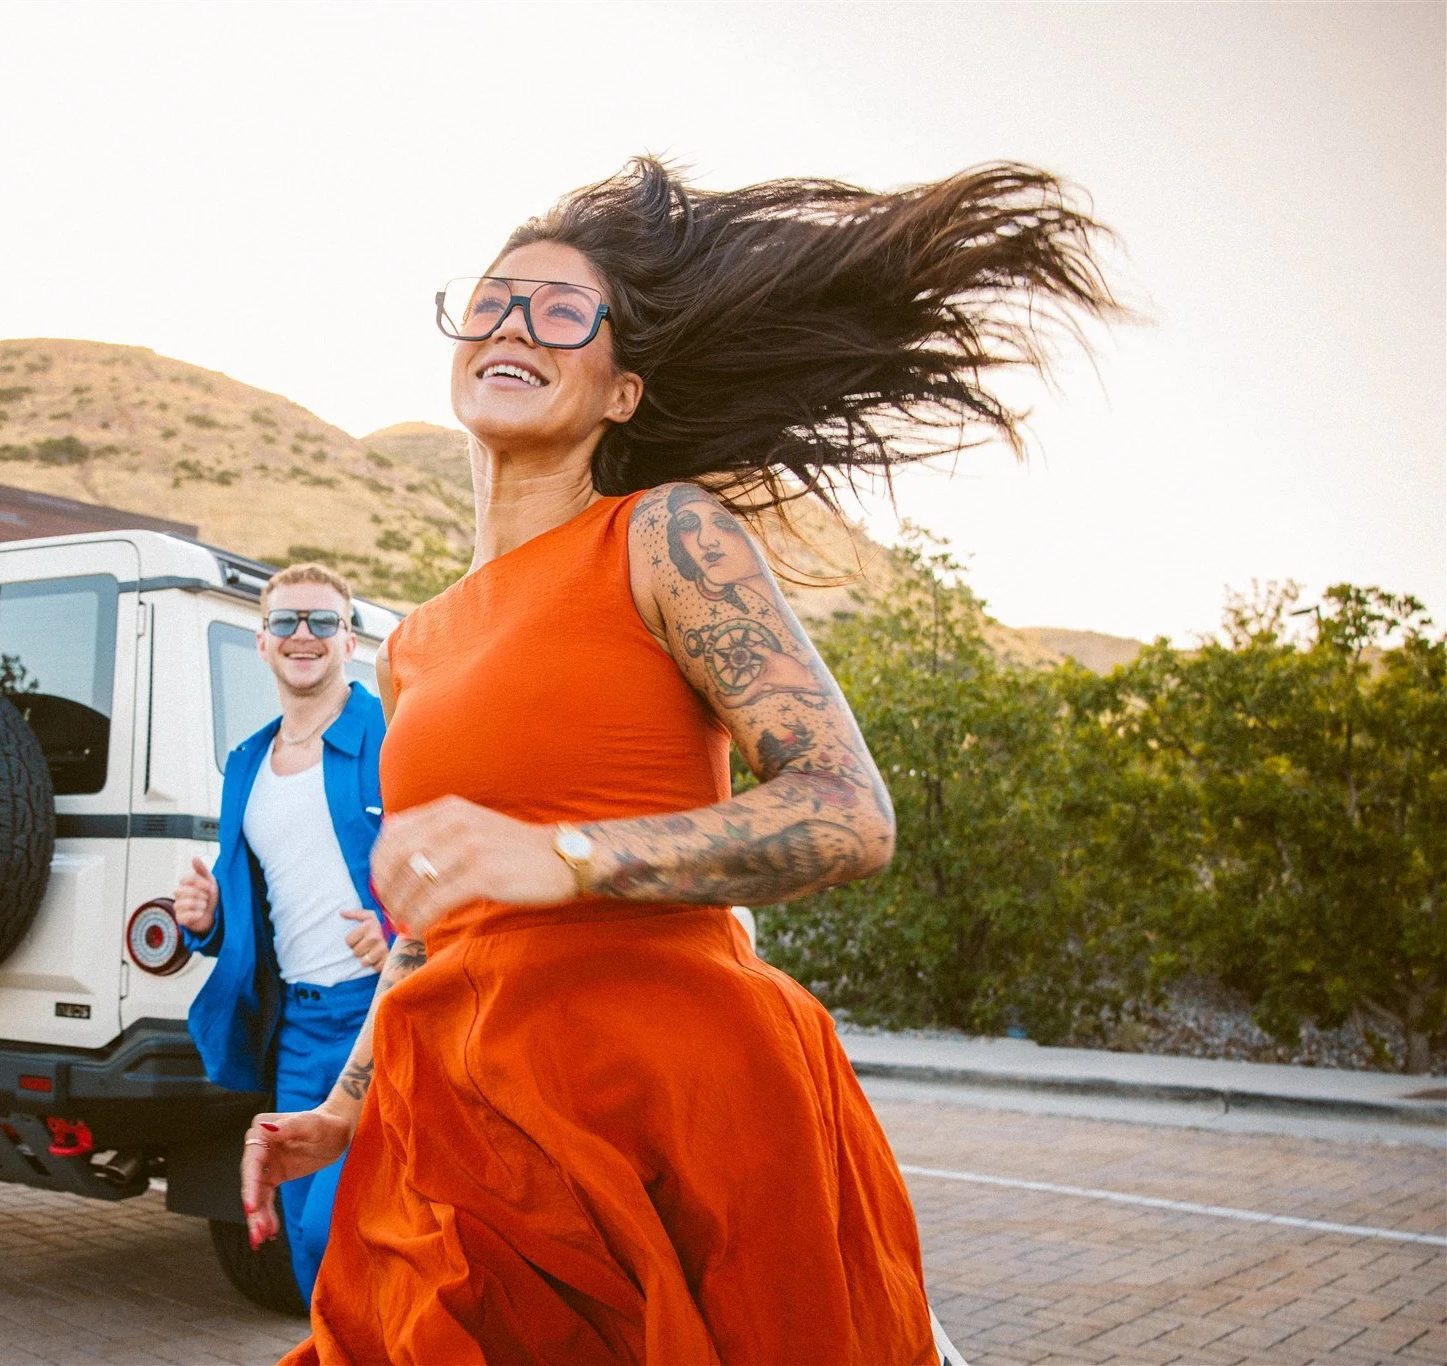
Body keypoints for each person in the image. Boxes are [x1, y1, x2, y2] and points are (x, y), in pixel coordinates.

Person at [242, 158, 1119, 1364]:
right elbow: (425, 925)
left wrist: (563, 855)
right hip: (467, 1123)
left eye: (561, 311)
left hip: (672, 1112)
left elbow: (845, 813)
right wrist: (339, 1113)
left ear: (621, 390)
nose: (513, 324)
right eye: (492, 300)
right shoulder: (412, 644)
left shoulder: (662, 535)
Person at [174, 562, 393, 1307]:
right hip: (298, 1031)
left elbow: (446, 843)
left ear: (350, 642)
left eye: (323, 621)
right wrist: (208, 919)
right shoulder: (247, 763)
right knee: (304, 1237)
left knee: (345, 1227)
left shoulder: (391, 735)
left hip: (381, 1017)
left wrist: (395, 928)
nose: (305, 635)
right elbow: (260, 900)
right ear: (262, 641)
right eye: (287, 622)